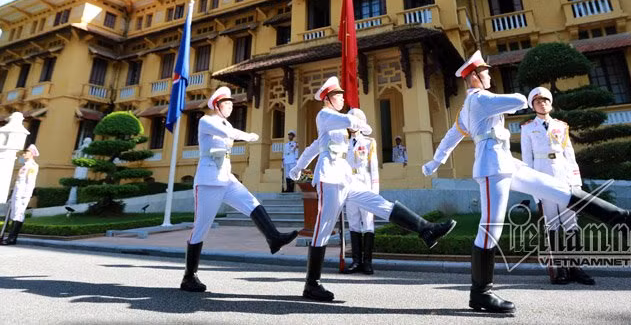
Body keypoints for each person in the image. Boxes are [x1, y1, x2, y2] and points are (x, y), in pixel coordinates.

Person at [422, 51, 631, 314]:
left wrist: (435, 162)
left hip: (505, 162)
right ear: (475, 77)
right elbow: (519, 100)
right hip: (491, 168)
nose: (489, 75)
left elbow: (450, 137)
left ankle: (621, 219)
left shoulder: (469, 107)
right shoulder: (480, 99)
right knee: (490, 231)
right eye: (486, 72)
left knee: (562, 190)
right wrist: (520, 99)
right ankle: (481, 294)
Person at [290, 76, 456, 302]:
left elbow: (313, 147)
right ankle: (312, 284)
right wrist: (358, 122)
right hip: (328, 178)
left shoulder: (335, 125)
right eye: (338, 95)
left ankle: (426, 229)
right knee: (324, 229)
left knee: (378, 203)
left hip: (346, 177)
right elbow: (353, 124)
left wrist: (298, 167)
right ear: (328, 98)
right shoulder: (325, 115)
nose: (341, 98)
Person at [180, 86, 299, 292]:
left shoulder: (226, 123)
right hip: (208, 180)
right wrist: (250, 136)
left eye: (232, 103)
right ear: (217, 105)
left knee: (252, 203)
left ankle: (274, 238)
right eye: (227, 103)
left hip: (226, 177)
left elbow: (227, 134)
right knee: (201, 227)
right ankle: (189, 277)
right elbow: (228, 133)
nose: (231, 107)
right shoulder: (207, 121)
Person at [521, 86, 594, 286]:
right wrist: (533, 189)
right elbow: (527, 160)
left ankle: (576, 267)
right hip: (543, 180)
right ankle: (559, 268)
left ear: (551, 103)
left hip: (564, 177)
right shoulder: (527, 128)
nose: (542, 103)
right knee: (551, 225)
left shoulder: (561, 126)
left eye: (545, 100)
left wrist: (576, 183)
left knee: (571, 224)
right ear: (532, 105)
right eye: (537, 101)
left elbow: (570, 155)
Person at [345, 108, 380, 275]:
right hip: (349, 187)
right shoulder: (343, 143)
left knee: (367, 222)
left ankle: (367, 262)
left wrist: (375, 191)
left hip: (365, 184)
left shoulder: (368, 142)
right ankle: (356, 261)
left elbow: (373, 168)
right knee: (353, 222)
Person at [0, 144, 40, 246]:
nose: (24, 154)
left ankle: (12, 238)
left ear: (32, 154)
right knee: (14, 214)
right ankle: (10, 237)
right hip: (17, 193)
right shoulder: (24, 166)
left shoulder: (32, 166)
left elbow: (30, 182)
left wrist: (26, 195)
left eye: (26, 152)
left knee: (18, 214)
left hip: (23, 194)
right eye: (24, 152)